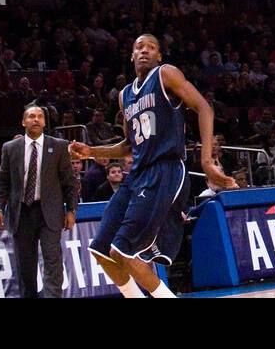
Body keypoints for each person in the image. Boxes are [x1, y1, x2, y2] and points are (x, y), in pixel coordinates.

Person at [72, 34, 236, 299]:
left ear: (159, 55)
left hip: (165, 169)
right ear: (132, 55)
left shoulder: (165, 74)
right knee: (100, 249)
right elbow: (128, 145)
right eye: (139, 47)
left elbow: (204, 107)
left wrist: (206, 161)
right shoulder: (125, 95)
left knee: (122, 250)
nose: (145, 51)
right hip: (137, 173)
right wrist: (91, 151)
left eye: (151, 48)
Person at [0, 105, 78, 298]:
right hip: (21, 213)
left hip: (50, 211)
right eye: (31, 116)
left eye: (40, 116)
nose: (36, 119)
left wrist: (72, 210)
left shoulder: (58, 146)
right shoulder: (10, 148)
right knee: (25, 266)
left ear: (45, 122)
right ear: (24, 122)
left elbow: (69, 183)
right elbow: (2, 182)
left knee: (53, 262)